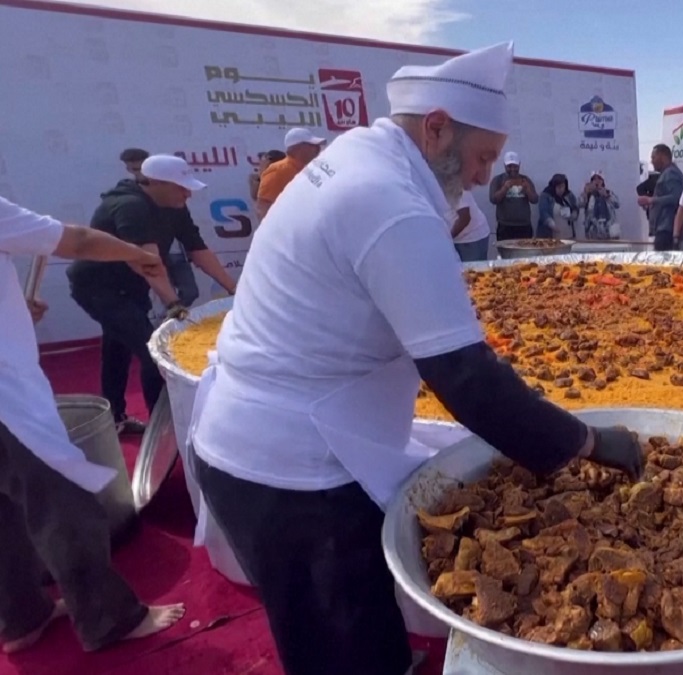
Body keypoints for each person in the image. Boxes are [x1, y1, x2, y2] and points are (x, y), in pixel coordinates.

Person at [189, 43, 644, 675]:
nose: (484, 177)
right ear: (436, 128)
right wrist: (587, 443)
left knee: (359, 636)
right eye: (483, 157)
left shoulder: (355, 153)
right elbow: (466, 377)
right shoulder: (390, 201)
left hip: (263, 442)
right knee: (343, 655)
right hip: (293, 475)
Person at [0, 195, 186, 654]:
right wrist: (137, 254)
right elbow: (77, 240)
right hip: (7, 402)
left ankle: (21, 617)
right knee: (63, 503)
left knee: (5, 509)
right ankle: (109, 619)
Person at [67, 155, 237, 434]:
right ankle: (166, 431)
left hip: (131, 287)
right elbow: (146, 262)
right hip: (99, 288)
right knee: (154, 355)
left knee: (117, 348)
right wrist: (174, 303)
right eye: (181, 187)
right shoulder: (130, 206)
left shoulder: (175, 205)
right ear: (155, 183)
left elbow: (197, 249)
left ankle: (115, 418)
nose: (187, 194)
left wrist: (234, 289)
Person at [119, 148, 200, 307]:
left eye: (142, 168)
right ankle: (172, 318)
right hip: (151, 257)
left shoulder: (172, 196)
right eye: (135, 170)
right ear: (128, 169)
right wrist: (174, 306)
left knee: (190, 292)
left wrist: (233, 289)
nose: (141, 174)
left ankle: (174, 315)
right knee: (165, 296)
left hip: (175, 254)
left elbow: (194, 240)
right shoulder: (131, 202)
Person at [256, 129, 326, 219]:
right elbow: (263, 208)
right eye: (312, 145)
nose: (318, 149)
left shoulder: (311, 170)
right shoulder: (278, 171)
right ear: (299, 148)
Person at [638, 144, 683, 251]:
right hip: (663, 228)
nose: (651, 161)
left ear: (663, 157)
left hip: (667, 229)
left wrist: (651, 200)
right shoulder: (667, 174)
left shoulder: (671, 173)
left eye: (653, 157)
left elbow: (677, 198)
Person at [488, 151, 537, 240]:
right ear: (504, 166)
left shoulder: (525, 179)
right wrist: (504, 189)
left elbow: (535, 200)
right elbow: (493, 199)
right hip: (505, 226)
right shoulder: (498, 180)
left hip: (524, 225)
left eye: (515, 166)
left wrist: (528, 190)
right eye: (509, 166)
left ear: (519, 165)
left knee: (525, 249)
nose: (512, 169)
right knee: (504, 249)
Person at [449, 190, 491, 262]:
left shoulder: (454, 187)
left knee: (472, 268)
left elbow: (464, 218)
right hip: (456, 238)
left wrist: (447, 237)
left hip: (471, 238)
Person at [536, 173, 578, 238]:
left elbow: (575, 207)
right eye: (559, 187)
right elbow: (543, 212)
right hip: (551, 234)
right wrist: (551, 224)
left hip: (568, 234)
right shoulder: (545, 195)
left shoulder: (569, 194)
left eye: (563, 186)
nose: (561, 189)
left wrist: (574, 215)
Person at [581, 171, 620, 240]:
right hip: (592, 231)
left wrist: (607, 196)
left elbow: (617, 204)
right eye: (594, 179)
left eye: (599, 179)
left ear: (602, 181)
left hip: (609, 230)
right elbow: (579, 204)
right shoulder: (589, 194)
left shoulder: (608, 192)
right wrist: (585, 194)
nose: (597, 181)